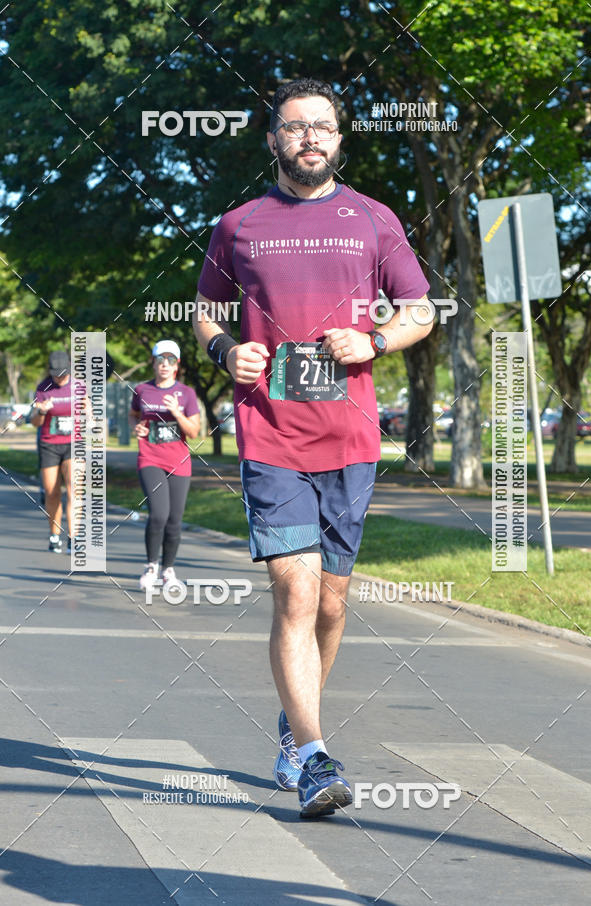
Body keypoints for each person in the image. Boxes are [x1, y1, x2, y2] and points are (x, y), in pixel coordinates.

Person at [194, 78, 432, 818]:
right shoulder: (239, 224)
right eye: (294, 127)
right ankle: (313, 753)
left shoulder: (373, 219)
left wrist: (376, 339)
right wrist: (225, 350)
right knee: (295, 591)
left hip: (351, 436)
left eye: (321, 127)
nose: (309, 138)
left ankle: (296, 726)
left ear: (339, 137)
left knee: (331, 602)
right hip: (270, 433)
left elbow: (420, 309)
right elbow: (205, 311)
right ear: (273, 140)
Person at [129, 340, 201, 591]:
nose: (165, 365)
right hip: (150, 458)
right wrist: (135, 428)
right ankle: (151, 566)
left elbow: (194, 432)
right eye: (160, 360)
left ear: (177, 365)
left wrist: (177, 413)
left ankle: (168, 570)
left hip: (179, 461)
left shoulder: (187, 394)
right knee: (158, 514)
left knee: (174, 520)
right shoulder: (142, 390)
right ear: (153, 362)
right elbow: (134, 415)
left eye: (170, 360)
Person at [30, 351, 74, 553]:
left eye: (63, 373)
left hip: (74, 444)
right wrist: (41, 411)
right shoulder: (43, 388)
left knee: (74, 490)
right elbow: (35, 423)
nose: (59, 378)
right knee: (52, 491)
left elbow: (89, 410)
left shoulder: (78, 387)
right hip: (49, 444)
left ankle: (74, 537)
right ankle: (55, 535)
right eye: (56, 374)